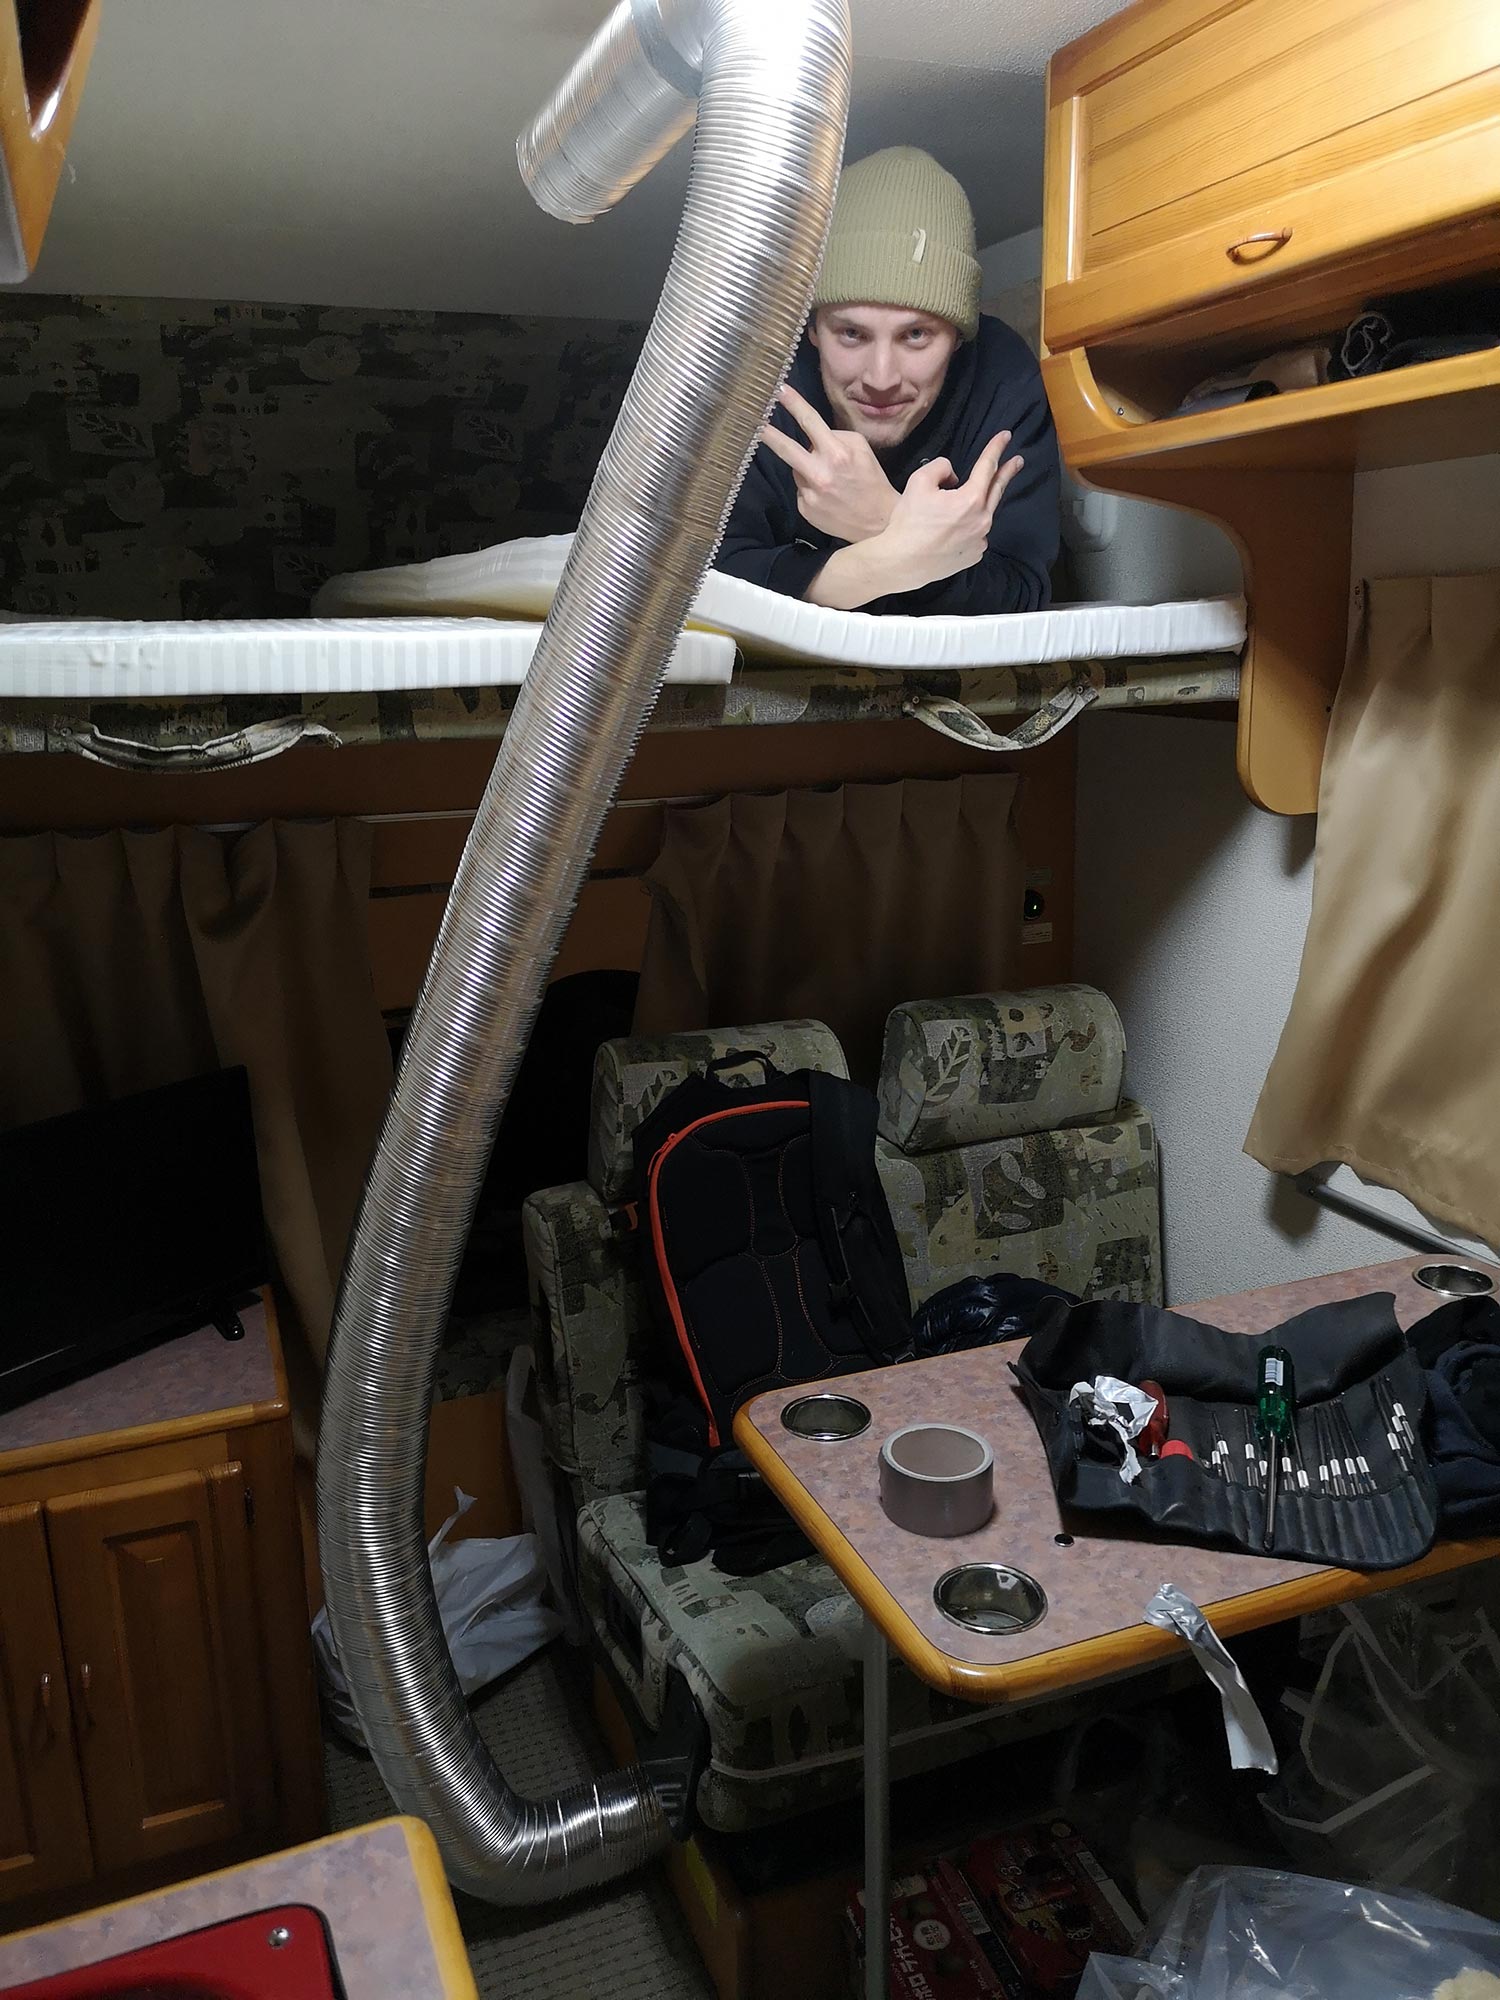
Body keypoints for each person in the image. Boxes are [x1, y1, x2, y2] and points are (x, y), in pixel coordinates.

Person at [716, 146, 1060, 616]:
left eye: (916, 335)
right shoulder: (755, 373)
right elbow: (697, 582)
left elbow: (1021, 593)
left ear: (958, 335)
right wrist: (885, 556)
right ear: (812, 328)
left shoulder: (1001, 377)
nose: (881, 378)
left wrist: (879, 518)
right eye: (851, 333)